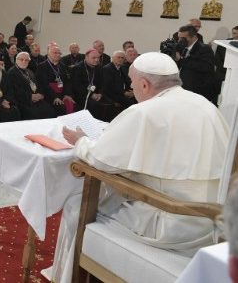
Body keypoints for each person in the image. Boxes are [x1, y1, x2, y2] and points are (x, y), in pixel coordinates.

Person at [48, 52, 229, 283]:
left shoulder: (144, 111)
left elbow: (100, 160)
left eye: (133, 84)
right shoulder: (206, 105)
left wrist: (80, 141)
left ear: (144, 84)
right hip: (213, 220)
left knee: (75, 206)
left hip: (172, 220)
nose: (132, 90)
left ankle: (68, 278)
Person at [6, 52, 56, 119]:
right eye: (21, 59)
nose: (24, 62)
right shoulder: (12, 72)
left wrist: (40, 94)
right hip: (23, 101)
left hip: (35, 99)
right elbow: (15, 91)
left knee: (50, 110)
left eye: (26, 60)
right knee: (34, 113)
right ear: (16, 60)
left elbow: (37, 85)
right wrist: (30, 96)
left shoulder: (30, 72)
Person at [176, 24, 218, 103]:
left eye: (183, 38)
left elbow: (206, 67)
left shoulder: (204, 49)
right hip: (184, 90)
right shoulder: (183, 48)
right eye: (179, 38)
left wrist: (180, 60)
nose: (180, 41)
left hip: (198, 92)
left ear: (194, 37)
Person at [36, 45, 74, 116]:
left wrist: (67, 94)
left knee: (72, 104)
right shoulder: (41, 66)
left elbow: (67, 82)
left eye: (59, 53)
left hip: (62, 94)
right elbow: (44, 84)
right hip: (49, 96)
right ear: (48, 54)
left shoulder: (62, 66)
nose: (58, 55)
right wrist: (54, 97)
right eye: (55, 53)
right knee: (60, 108)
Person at [102, 50, 136, 114]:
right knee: (131, 104)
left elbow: (127, 82)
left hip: (121, 93)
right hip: (112, 94)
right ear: (113, 58)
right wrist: (124, 93)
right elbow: (110, 86)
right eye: (118, 57)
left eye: (122, 58)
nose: (120, 59)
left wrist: (132, 92)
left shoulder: (121, 68)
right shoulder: (107, 69)